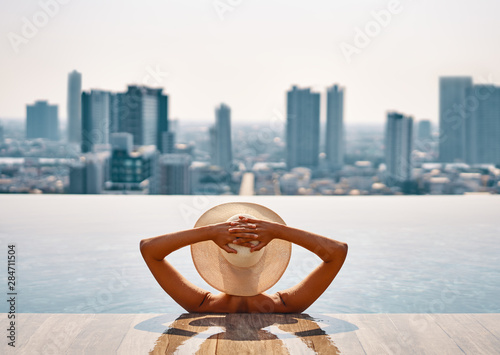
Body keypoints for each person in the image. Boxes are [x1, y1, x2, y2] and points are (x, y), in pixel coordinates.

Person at [140, 202, 348, 313]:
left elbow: (149, 248)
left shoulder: (201, 305)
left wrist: (209, 232)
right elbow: (337, 251)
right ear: (265, 260)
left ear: (218, 261)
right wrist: (278, 231)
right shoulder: (285, 306)